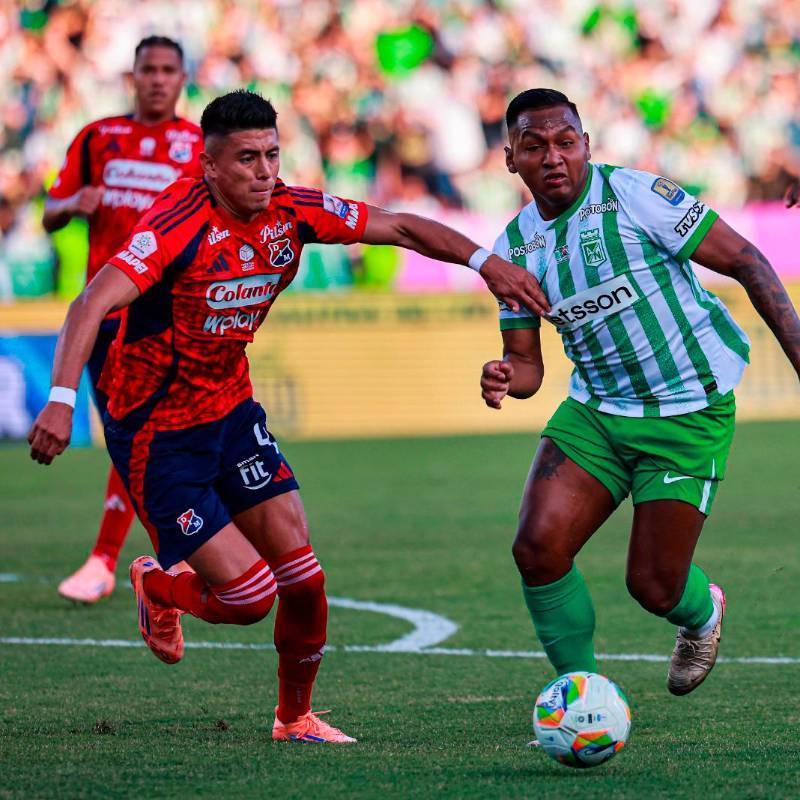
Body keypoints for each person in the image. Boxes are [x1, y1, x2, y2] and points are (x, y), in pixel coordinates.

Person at [28, 89, 548, 743]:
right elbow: (89, 303)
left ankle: (294, 718)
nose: (264, 171)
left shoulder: (291, 211)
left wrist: (488, 264)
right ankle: (158, 584)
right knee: (247, 599)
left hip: (231, 412)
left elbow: (402, 226)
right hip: (157, 432)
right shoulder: (173, 225)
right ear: (208, 167)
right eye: (246, 159)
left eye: (272, 154)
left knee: (304, 579)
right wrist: (61, 398)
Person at [479, 89, 800, 706]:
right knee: (536, 548)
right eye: (534, 145)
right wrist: (502, 374)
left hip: (687, 410)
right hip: (597, 413)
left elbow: (749, 261)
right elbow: (527, 369)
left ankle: (701, 613)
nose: (553, 157)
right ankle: (583, 695)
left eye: (565, 141)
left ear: (586, 145)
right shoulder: (514, 248)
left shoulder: (637, 196)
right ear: (510, 158)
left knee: (653, 586)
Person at [43, 36, 203, 603]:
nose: (157, 79)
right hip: (106, 313)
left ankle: (115, 558)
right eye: (148, 69)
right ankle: (166, 556)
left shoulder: (200, 144)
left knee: (146, 432)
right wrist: (72, 203)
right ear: (131, 76)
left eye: (168, 70)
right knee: (127, 435)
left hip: (170, 314)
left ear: (183, 78)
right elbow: (50, 212)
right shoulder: (97, 139)